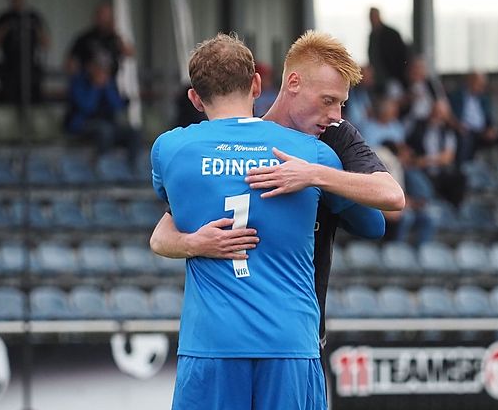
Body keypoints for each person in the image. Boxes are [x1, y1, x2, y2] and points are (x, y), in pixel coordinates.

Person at [150, 33, 387, 410]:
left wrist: (195, 241)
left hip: (212, 341)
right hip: (289, 340)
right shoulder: (311, 153)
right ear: (257, 85)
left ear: (194, 97)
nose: (335, 114)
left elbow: (166, 224)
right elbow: (373, 222)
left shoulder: (170, 149)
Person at [153, 31, 404, 346]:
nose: (336, 115)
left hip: (301, 333)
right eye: (328, 100)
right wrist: (194, 243)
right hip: (243, 333)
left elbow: (387, 203)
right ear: (293, 83)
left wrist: (313, 175)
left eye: (342, 103)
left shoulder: (335, 136)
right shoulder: (240, 142)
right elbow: (161, 235)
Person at [65, 52, 139, 161]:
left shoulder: (108, 84)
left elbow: (117, 106)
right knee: (105, 130)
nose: (102, 71)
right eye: (99, 67)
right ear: (90, 67)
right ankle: (102, 164)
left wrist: (107, 88)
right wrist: (96, 87)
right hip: (82, 124)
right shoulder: (78, 82)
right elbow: (87, 108)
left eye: (105, 68)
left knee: (134, 133)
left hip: (108, 123)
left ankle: (132, 166)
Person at [0, 0, 48, 106]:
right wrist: (3, 30)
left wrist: (36, 29)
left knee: (33, 101)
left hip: (29, 67)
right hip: (9, 67)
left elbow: (46, 44)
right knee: (8, 102)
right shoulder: (3, 17)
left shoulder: (33, 16)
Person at [406, 100, 467, 208]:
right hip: (419, 170)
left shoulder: (447, 132)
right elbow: (407, 148)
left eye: (441, 114)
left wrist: (426, 160)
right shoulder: (417, 126)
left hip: (439, 171)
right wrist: (418, 160)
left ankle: (455, 210)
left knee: (460, 178)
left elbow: (448, 158)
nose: (437, 116)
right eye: (435, 111)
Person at [449, 71, 498, 164]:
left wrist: (491, 128)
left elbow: (489, 116)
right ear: (470, 82)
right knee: (465, 138)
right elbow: (450, 115)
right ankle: (464, 167)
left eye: (483, 85)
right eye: (479, 84)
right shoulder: (457, 96)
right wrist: (458, 125)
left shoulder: (483, 98)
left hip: (482, 131)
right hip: (465, 130)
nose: (481, 88)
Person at [67, 3, 133, 78]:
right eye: (101, 16)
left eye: (107, 17)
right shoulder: (85, 38)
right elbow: (70, 62)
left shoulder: (115, 38)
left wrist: (117, 34)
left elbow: (129, 53)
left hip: (109, 80)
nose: (103, 20)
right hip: (87, 80)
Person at [367, 7, 408, 90]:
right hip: (379, 78)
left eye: (374, 17)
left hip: (393, 76)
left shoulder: (391, 34)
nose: (372, 20)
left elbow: (402, 54)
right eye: (371, 17)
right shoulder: (372, 35)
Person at [402, 54, 448, 125]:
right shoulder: (401, 84)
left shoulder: (432, 84)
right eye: (415, 68)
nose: (418, 71)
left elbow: (443, 107)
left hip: (431, 122)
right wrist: (408, 99)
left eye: (421, 68)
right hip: (408, 123)